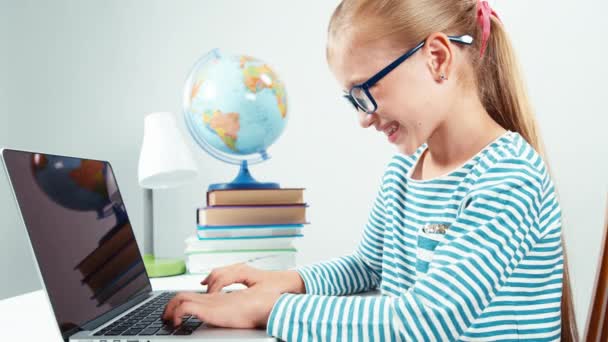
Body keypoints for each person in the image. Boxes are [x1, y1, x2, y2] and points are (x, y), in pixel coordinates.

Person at [163, 0, 578, 340]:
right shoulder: (403, 172)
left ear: (436, 58)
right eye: (352, 99)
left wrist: (267, 310)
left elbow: (426, 319)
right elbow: (368, 267)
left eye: (365, 90)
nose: (363, 117)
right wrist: (287, 282)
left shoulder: (509, 177)